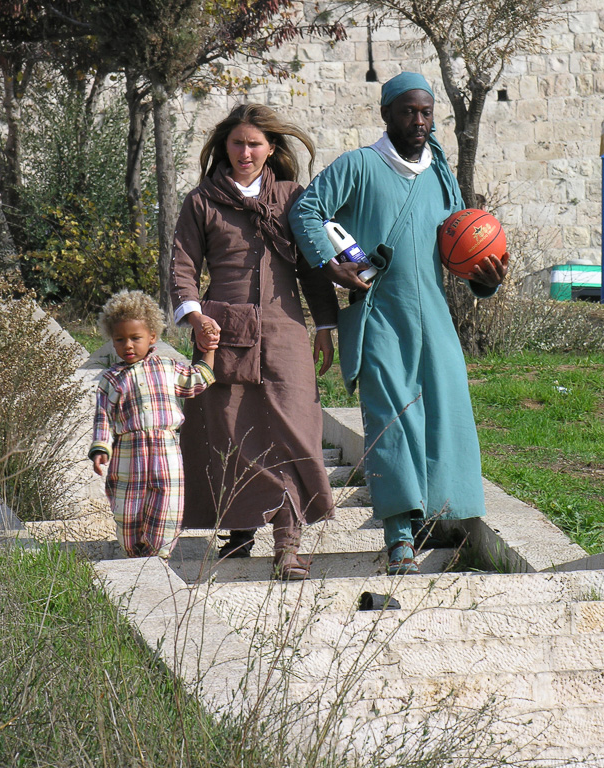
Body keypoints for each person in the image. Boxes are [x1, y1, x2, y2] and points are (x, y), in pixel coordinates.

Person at [289, 72, 509, 576]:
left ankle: (440, 516)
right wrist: (330, 263)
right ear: (387, 114)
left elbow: (459, 251)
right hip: (379, 316)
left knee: (445, 416)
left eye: (426, 112)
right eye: (409, 111)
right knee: (391, 422)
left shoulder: (441, 174)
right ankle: (399, 537)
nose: (419, 120)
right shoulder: (360, 165)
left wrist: (487, 280)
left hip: (434, 316)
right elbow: (307, 209)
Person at [169, 103, 338, 580]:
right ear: (225, 145)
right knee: (230, 430)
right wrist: (196, 316)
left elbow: (313, 265)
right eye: (238, 143)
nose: (245, 152)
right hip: (222, 331)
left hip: (286, 329)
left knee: (294, 430)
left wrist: (326, 325)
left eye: (255, 144)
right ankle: (240, 529)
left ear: (271, 148)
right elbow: (182, 266)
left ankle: (289, 543)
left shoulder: (293, 198)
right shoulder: (201, 201)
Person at [89, 290, 217, 558]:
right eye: (120, 339)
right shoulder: (111, 379)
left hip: (166, 452)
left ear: (152, 337)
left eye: (136, 338)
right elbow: (103, 416)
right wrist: (101, 448)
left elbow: (197, 380)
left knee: (167, 508)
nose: (128, 345)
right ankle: (134, 555)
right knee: (127, 512)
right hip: (127, 456)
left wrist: (210, 350)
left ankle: (157, 555)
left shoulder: (167, 367)